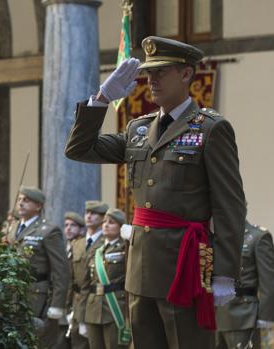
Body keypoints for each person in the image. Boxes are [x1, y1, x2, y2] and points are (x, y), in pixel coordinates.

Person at [65, 36, 246, 349]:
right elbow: (80, 149)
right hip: (140, 268)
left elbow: (230, 205)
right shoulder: (138, 128)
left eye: (161, 71)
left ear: (186, 74)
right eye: (149, 73)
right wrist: (102, 99)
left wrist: (225, 273)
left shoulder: (209, 129)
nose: (151, 79)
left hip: (185, 266)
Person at [7, 186, 70, 348]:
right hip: (14, 294)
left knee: (36, 342)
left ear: (38, 206)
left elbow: (61, 270)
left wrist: (57, 304)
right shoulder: (12, 229)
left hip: (37, 296)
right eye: (20, 199)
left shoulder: (49, 231)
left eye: (26, 200)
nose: (20, 203)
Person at [215, 221, 274, 349]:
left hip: (243, 315)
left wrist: (265, 320)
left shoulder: (258, 237)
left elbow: (268, 283)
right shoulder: (215, 236)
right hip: (216, 316)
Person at [85, 209, 130, 349]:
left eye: (111, 222)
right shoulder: (96, 250)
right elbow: (86, 283)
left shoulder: (125, 248)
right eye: (104, 221)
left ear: (121, 227)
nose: (106, 225)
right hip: (93, 308)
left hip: (115, 307)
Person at [69, 201, 109, 349]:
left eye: (94, 213)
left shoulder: (106, 243)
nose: (89, 216)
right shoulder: (77, 244)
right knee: (77, 343)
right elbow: (71, 278)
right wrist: (67, 308)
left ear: (103, 217)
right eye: (87, 213)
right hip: (77, 303)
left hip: (97, 303)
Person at [54, 211, 86, 349]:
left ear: (81, 229)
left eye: (73, 225)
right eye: (66, 225)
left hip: (77, 302)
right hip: (64, 303)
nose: (68, 228)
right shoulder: (64, 248)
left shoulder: (84, 247)